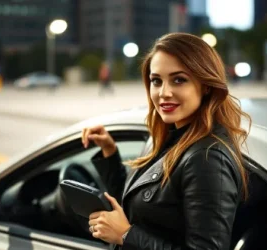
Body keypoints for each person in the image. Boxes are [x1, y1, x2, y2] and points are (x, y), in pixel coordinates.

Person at [81, 32, 251, 250]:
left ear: (206, 85)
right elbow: (135, 207)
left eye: (179, 80)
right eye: (156, 81)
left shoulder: (207, 159)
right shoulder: (170, 137)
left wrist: (126, 234)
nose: (164, 93)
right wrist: (109, 151)